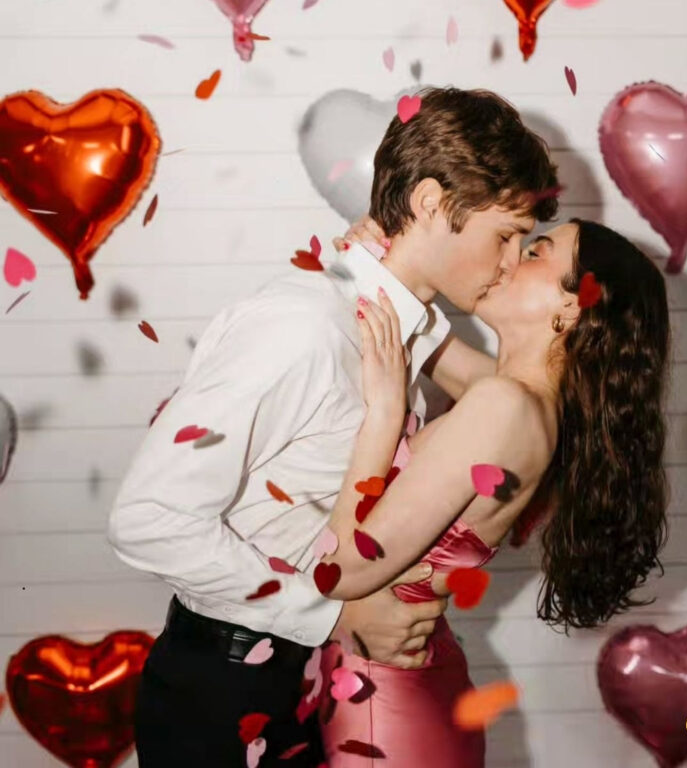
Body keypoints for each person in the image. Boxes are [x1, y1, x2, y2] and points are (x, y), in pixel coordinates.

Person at [107, 85, 559, 767]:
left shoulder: (401, 336)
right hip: (223, 695)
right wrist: (334, 613)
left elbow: (511, 410)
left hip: (326, 689)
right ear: (433, 203)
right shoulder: (305, 329)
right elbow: (147, 517)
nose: (508, 264)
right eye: (505, 236)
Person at [314, 216, 671, 767]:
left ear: (574, 306)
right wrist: (368, 260)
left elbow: (342, 570)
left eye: (535, 253)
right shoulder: (530, 404)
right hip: (402, 680)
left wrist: (385, 418)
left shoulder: (503, 407)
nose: (506, 259)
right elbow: (427, 337)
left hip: (384, 707)